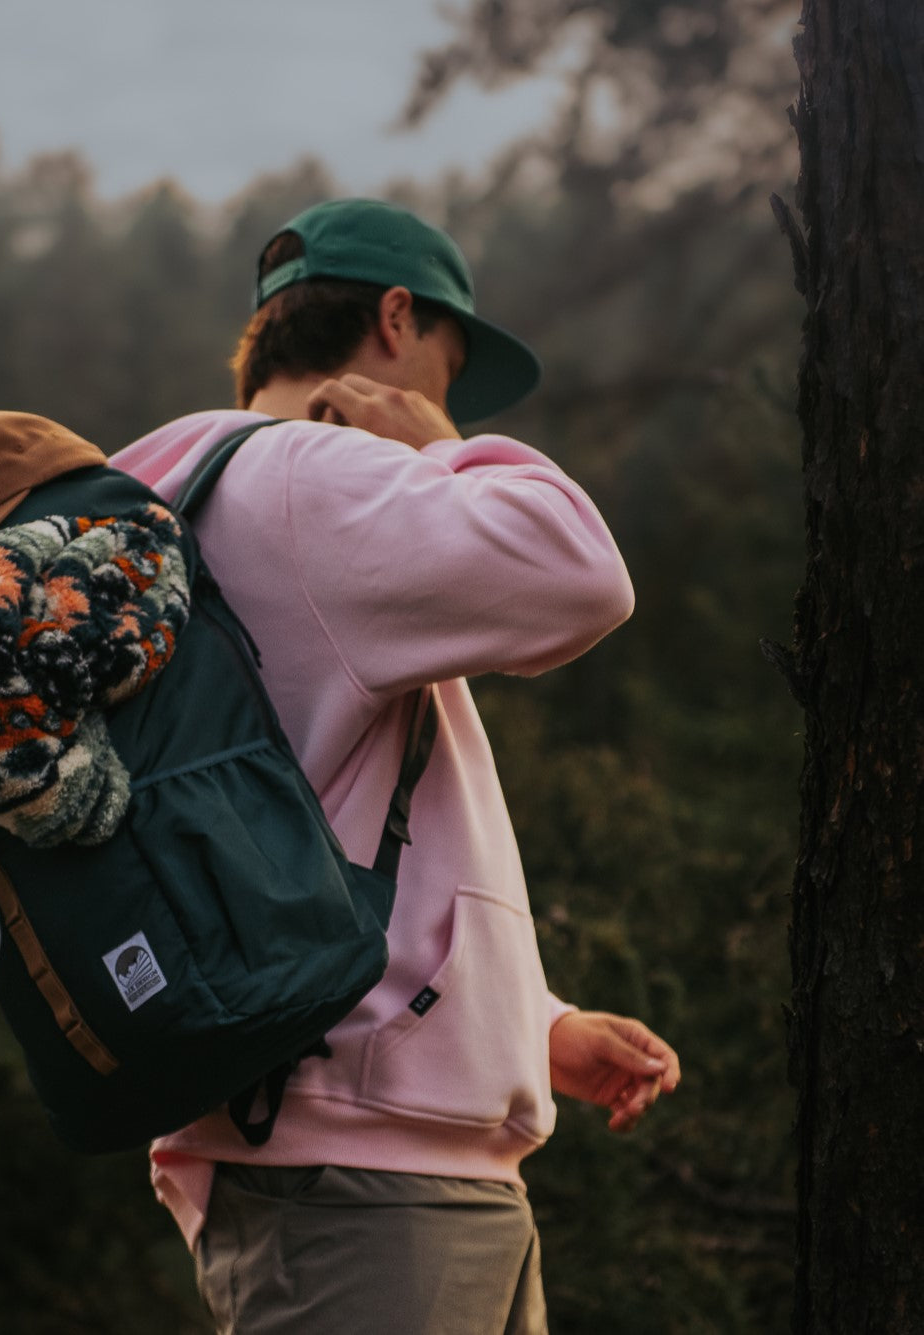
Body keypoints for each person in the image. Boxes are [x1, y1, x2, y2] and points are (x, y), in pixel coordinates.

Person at [110, 198, 681, 1334]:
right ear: (395, 319)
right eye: (449, 369)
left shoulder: (183, 501)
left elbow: (323, 816)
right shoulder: (303, 483)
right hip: (362, 1185)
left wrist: (531, 1020)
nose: (449, 402)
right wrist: (437, 444)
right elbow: (582, 573)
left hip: (365, 1159)